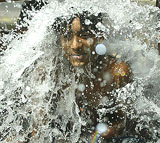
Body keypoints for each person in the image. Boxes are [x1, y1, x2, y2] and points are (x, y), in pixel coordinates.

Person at [15, 0, 151, 142]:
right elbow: (38, 128)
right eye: (67, 37)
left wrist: (100, 135)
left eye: (85, 36)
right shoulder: (50, 72)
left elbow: (128, 123)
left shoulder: (116, 72)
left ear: (99, 36)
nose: (75, 45)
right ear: (59, 40)